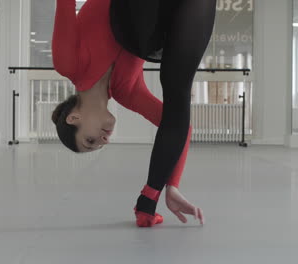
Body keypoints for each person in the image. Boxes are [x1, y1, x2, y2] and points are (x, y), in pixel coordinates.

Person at [51, 0, 216, 227]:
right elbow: (179, 125)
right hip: (167, 14)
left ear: (74, 118)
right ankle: (149, 200)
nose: (104, 140)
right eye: (99, 144)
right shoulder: (126, 91)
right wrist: (172, 185)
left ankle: (147, 200)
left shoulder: (68, 64)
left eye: (90, 140)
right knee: (177, 94)